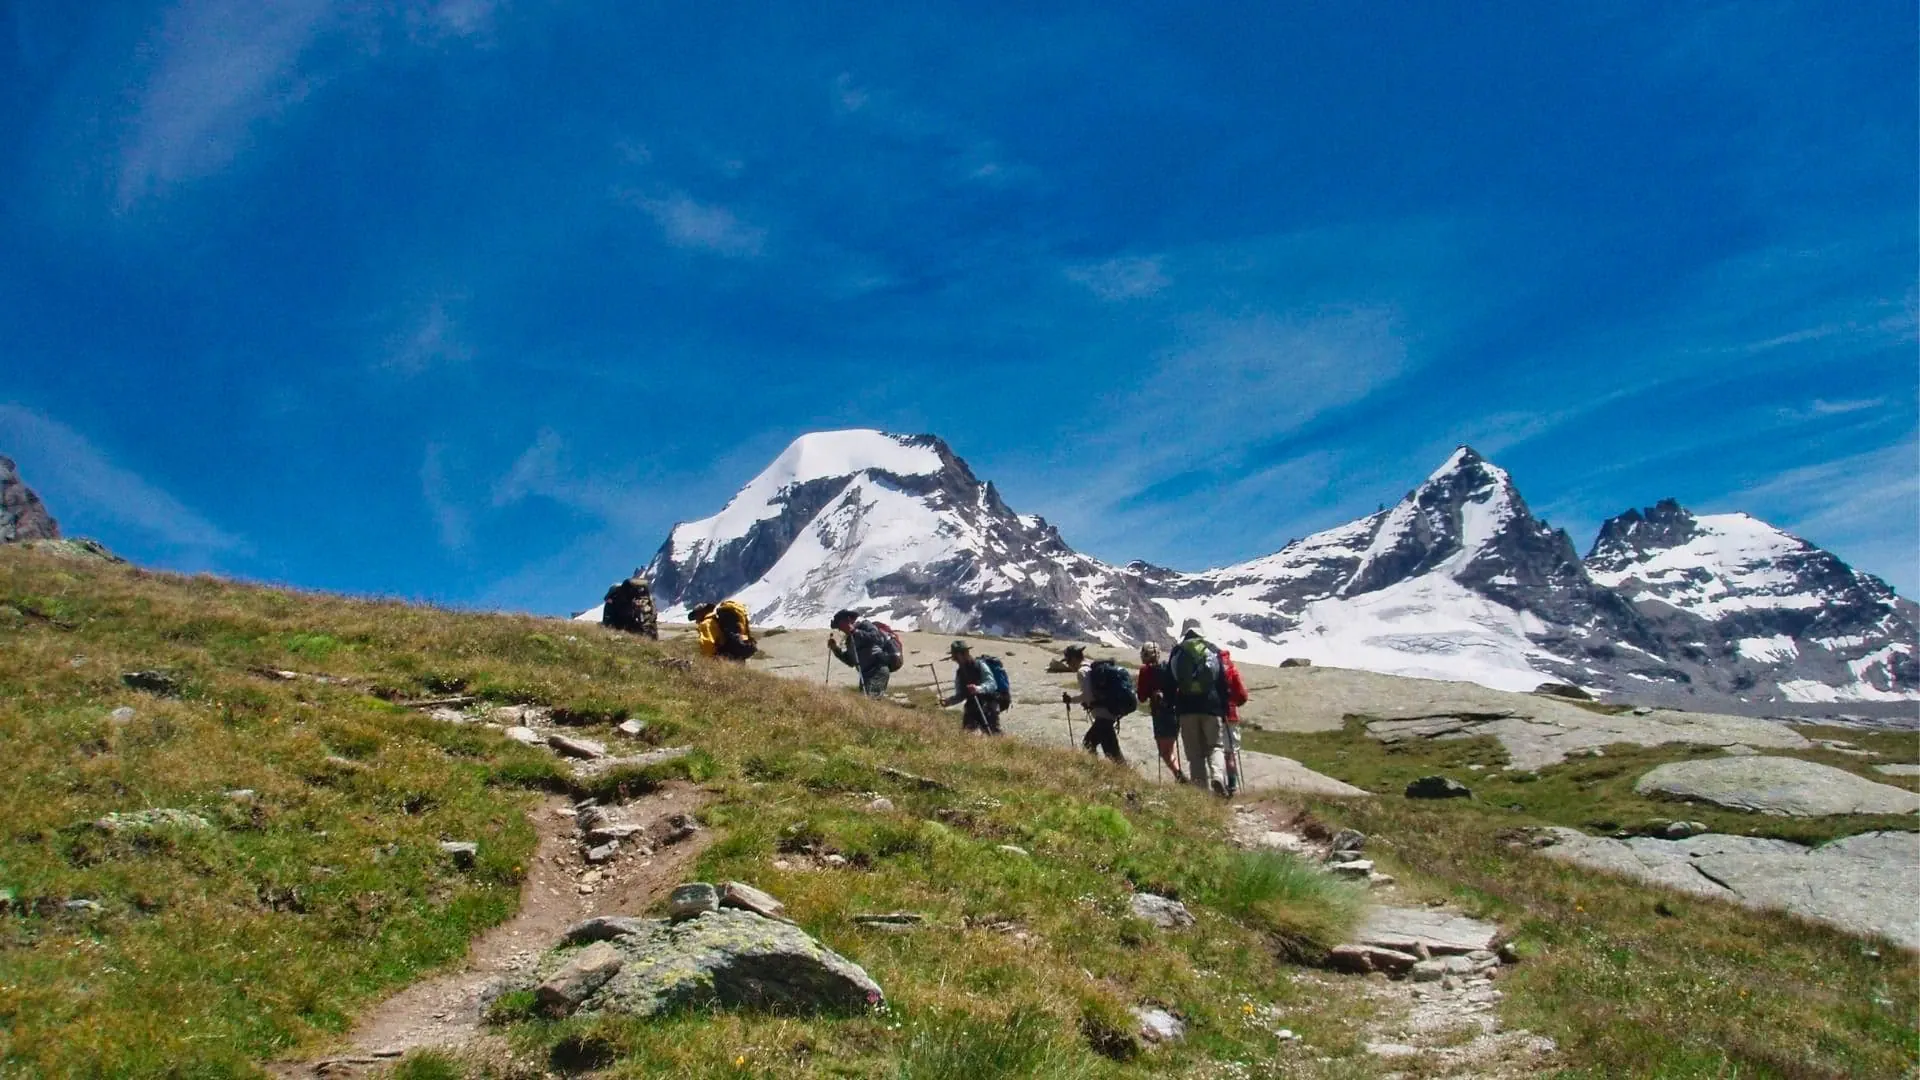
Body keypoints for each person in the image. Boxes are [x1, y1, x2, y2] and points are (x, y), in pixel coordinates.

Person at [1167, 618, 1230, 795]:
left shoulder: (1178, 652)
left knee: (1195, 754)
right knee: (1215, 746)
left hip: (1186, 708)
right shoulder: (1212, 650)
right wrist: (1224, 707)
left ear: (1185, 632)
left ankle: (1201, 793)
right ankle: (1218, 776)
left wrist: (1172, 705)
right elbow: (1222, 681)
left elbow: (1170, 682)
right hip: (1211, 706)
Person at [1060, 644, 1125, 763]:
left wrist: (1071, 699)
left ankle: (1094, 769)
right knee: (1110, 749)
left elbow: (1088, 695)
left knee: (1088, 743)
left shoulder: (1082, 671)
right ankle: (1125, 774)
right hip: (1109, 711)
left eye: (1068, 661)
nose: (1068, 664)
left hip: (1103, 714)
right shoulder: (1091, 665)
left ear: (1074, 658)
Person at [1135, 643, 1185, 783]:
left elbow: (1142, 696)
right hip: (1175, 711)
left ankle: (1180, 777)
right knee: (1170, 748)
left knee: (1164, 752)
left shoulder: (1146, 671)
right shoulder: (1168, 667)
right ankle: (1180, 776)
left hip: (1160, 714)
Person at [828, 609, 892, 697]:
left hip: (877, 669)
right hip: (865, 675)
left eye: (841, 626)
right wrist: (835, 649)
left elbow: (876, 637)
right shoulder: (849, 639)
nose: (841, 630)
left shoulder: (865, 625)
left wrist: (855, 631)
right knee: (865, 701)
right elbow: (850, 661)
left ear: (849, 620)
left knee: (870, 701)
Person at [942, 640, 1002, 734]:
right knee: (967, 735)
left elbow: (992, 684)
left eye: (960, 654)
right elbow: (961, 695)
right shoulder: (960, 672)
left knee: (992, 734)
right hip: (972, 707)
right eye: (956, 656)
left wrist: (978, 689)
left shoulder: (980, 665)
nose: (958, 658)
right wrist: (949, 701)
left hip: (988, 705)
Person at [1218, 648, 1251, 797]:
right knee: (1230, 753)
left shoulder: (1213, 671)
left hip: (1215, 715)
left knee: (1216, 750)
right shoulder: (1232, 671)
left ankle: (1218, 780)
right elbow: (1243, 695)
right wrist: (1235, 703)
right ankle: (1232, 785)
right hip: (1230, 715)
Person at [691, 600, 757, 661]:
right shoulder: (717, 620)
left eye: (696, 616)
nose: (696, 620)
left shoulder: (705, 624)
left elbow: (708, 644)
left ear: (700, 614)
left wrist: (708, 661)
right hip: (735, 655)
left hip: (723, 659)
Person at [600, 569, 658, 638]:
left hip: (627, 626)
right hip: (645, 629)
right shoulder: (645, 600)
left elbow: (608, 621)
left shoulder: (615, 599)